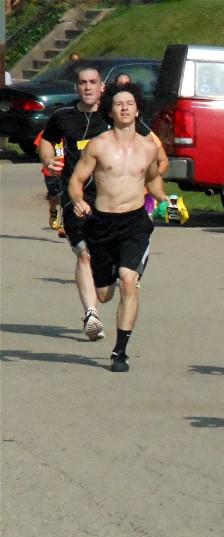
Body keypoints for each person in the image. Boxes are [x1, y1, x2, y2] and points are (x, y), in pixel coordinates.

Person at [67, 82, 170, 373]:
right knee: (103, 294)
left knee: (128, 280)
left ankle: (120, 352)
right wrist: (77, 200)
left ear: (138, 110)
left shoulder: (149, 147)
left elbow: (152, 180)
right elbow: (76, 181)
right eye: (118, 104)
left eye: (129, 103)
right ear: (110, 111)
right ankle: (105, 282)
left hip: (135, 222)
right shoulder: (99, 145)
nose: (124, 108)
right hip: (101, 223)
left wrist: (165, 200)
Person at [39, 65, 112, 341]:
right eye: (83, 83)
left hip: (110, 199)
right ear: (76, 88)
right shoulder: (63, 116)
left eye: (93, 82)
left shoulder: (112, 115)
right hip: (75, 197)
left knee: (105, 262)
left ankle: (106, 286)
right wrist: (49, 161)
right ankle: (91, 313)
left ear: (102, 87)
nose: (88, 87)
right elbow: (46, 142)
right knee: (84, 253)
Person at [33, 130, 66, 235]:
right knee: (54, 196)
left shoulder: (70, 129)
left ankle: (64, 226)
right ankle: (53, 211)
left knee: (66, 197)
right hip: (51, 171)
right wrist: (48, 149)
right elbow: (37, 149)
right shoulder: (46, 132)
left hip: (66, 170)